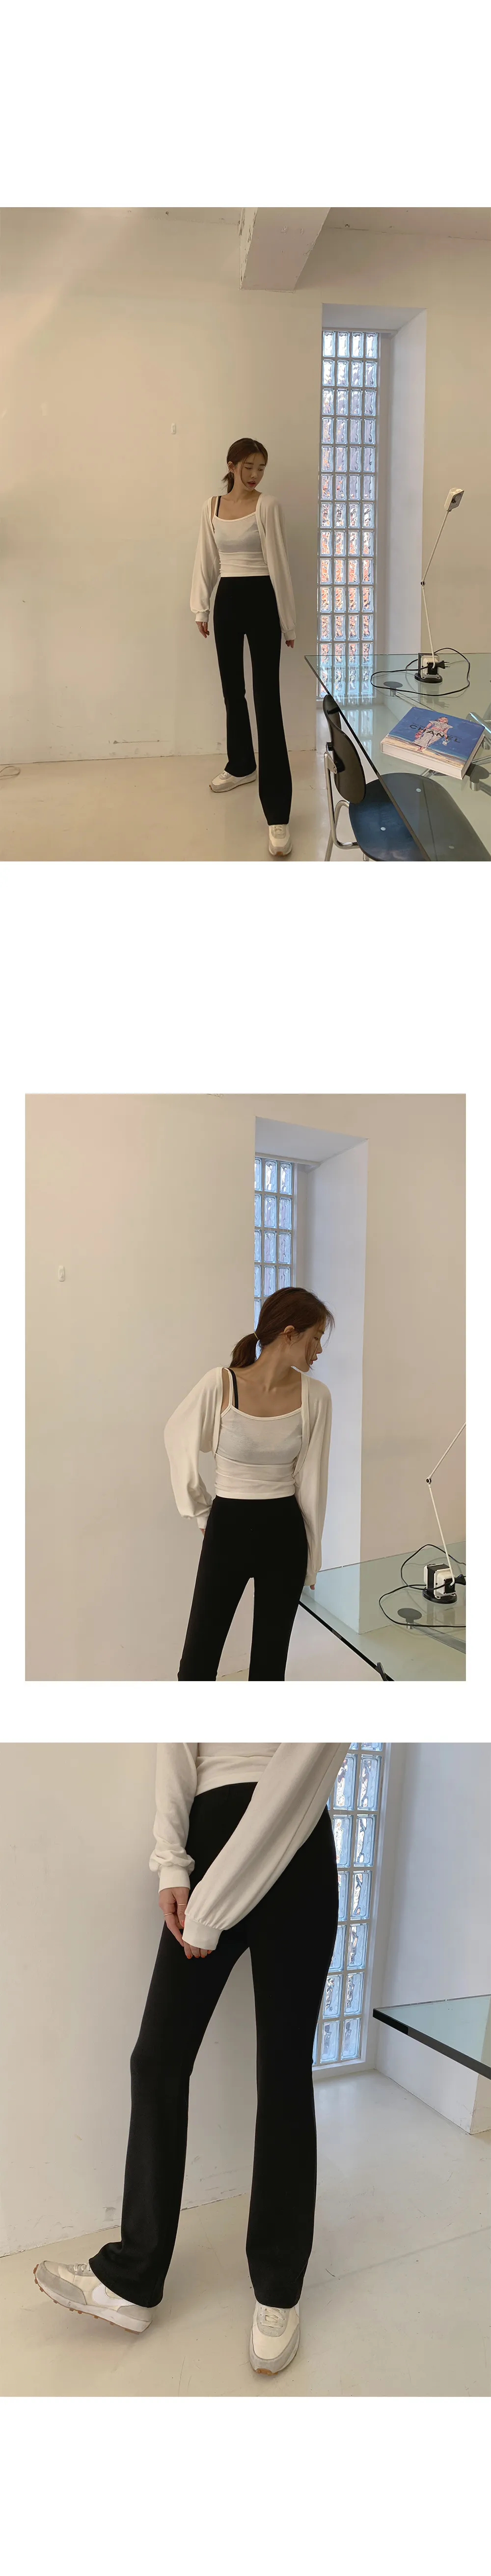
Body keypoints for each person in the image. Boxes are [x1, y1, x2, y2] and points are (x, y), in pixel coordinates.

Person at [34, 1741, 350, 2375]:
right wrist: (172, 1863)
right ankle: (133, 2278)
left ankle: (278, 2289)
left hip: (294, 1846)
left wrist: (210, 1905)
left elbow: (309, 1758)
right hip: (208, 1842)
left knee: (284, 2075)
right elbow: (178, 1740)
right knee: (157, 2060)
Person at [164, 1288, 334, 1681]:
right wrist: (202, 1512)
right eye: (315, 1338)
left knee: (270, 1669)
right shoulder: (221, 1384)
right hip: (228, 1529)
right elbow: (176, 1436)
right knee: (197, 1664)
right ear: (289, 1334)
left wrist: (313, 1556)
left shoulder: (317, 1398)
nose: (319, 1350)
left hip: (286, 1535)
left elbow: (313, 1481)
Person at [191, 437, 296, 860]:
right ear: (232, 465)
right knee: (233, 690)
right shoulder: (211, 507)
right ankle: (241, 765)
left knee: (267, 701)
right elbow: (206, 559)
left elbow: (280, 564)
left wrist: (288, 620)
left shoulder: (268, 506)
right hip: (229, 603)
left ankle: (278, 812)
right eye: (249, 467)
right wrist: (201, 606)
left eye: (262, 468)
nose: (255, 476)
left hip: (263, 600)